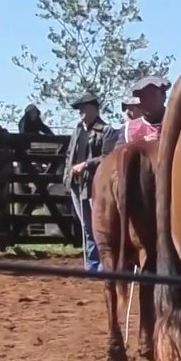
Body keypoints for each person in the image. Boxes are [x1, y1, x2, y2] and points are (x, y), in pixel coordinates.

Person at [62, 94, 112, 272]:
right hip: (77, 184)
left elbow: (107, 157)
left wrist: (86, 165)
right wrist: (67, 175)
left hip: (94, 184)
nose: (80, 111)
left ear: (94, 108)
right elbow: (69, 154)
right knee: (86, 225)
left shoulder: (105, 130)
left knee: (96, 225)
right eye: (79, 108)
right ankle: (91, 264)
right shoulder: (78, 130)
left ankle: (99, 265)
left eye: (83, 107)